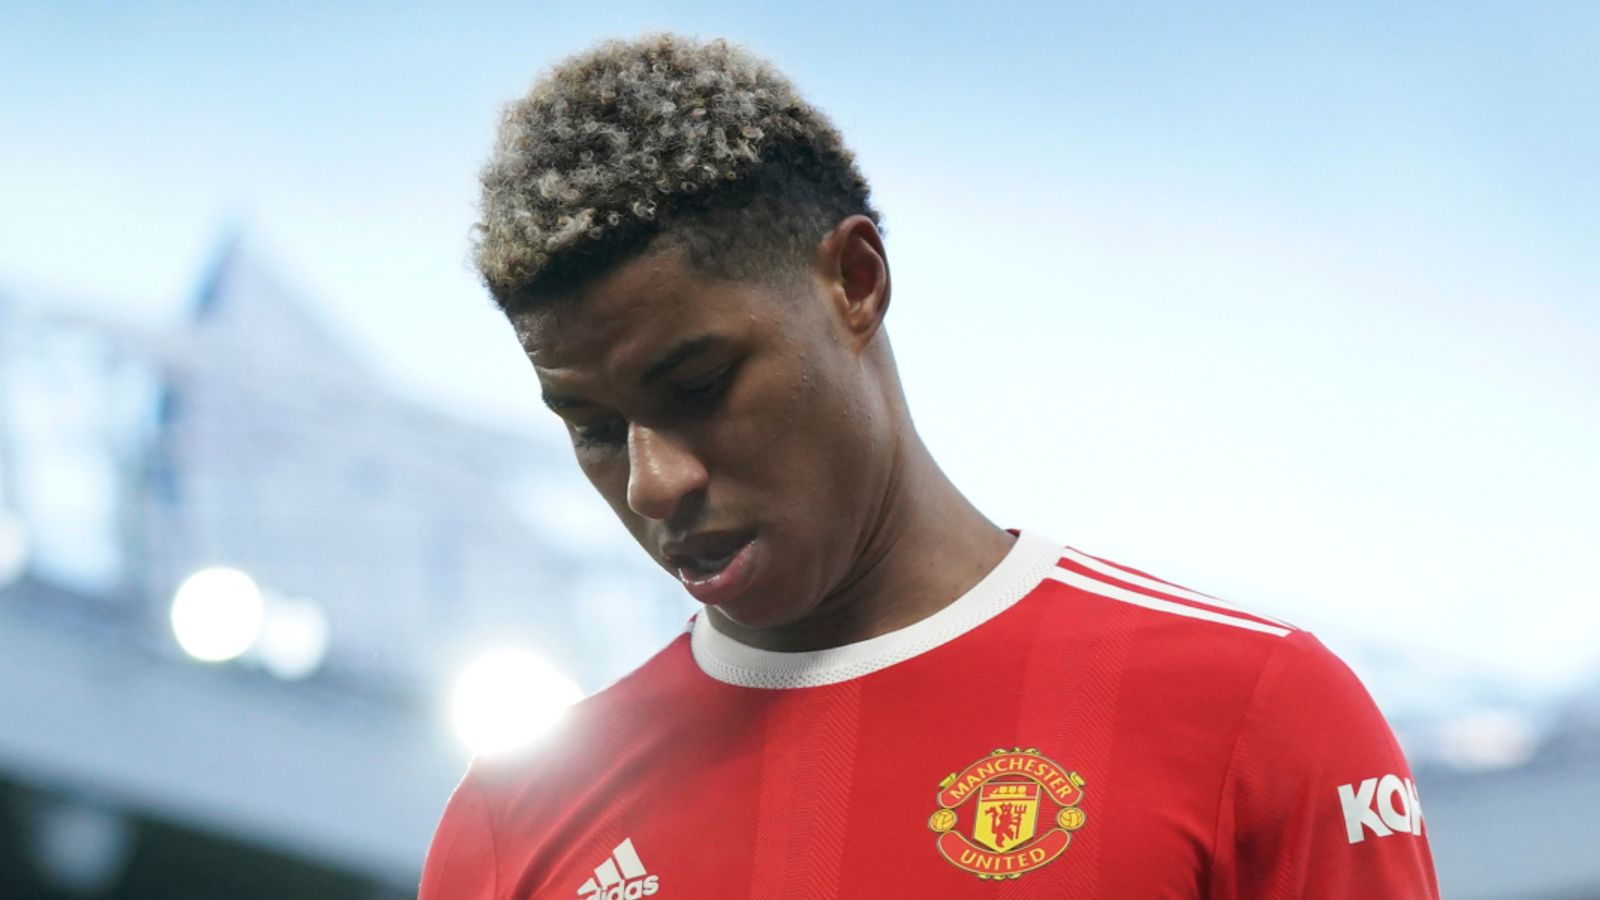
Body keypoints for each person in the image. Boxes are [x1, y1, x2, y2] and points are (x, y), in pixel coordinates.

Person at [421, 34, 1439, 899]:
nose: (653, 483)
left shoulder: (1255, 715)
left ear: (855, 282)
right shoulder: (510, 828)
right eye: (595, 428)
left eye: (699, 387)